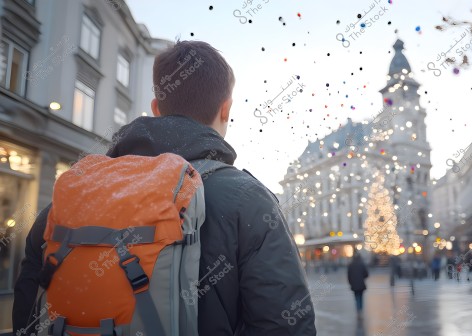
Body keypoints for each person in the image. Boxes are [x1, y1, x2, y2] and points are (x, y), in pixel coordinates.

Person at [12, 40, 316, 335]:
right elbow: (287, 324)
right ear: (226, 109)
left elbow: (27, 312)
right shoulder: (249, 200)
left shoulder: (70, 200)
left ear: (156, 108)